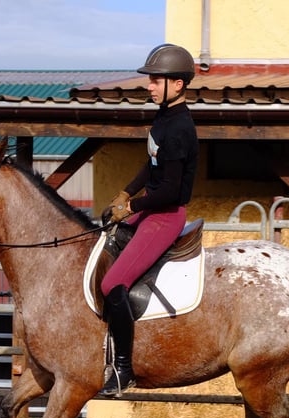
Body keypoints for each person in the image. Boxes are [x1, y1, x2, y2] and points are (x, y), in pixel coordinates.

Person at [98, 43, 199, 398]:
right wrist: (125, 193)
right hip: (148, 210)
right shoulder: (164, 117)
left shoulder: (180, 127)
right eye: (151, 80)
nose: (150, 86)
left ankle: (124, 370)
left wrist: (133, 207)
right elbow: (152, 164)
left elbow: (170, 190)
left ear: (178, 84)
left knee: (113, 284)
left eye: (157, 80)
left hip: (165, 217)